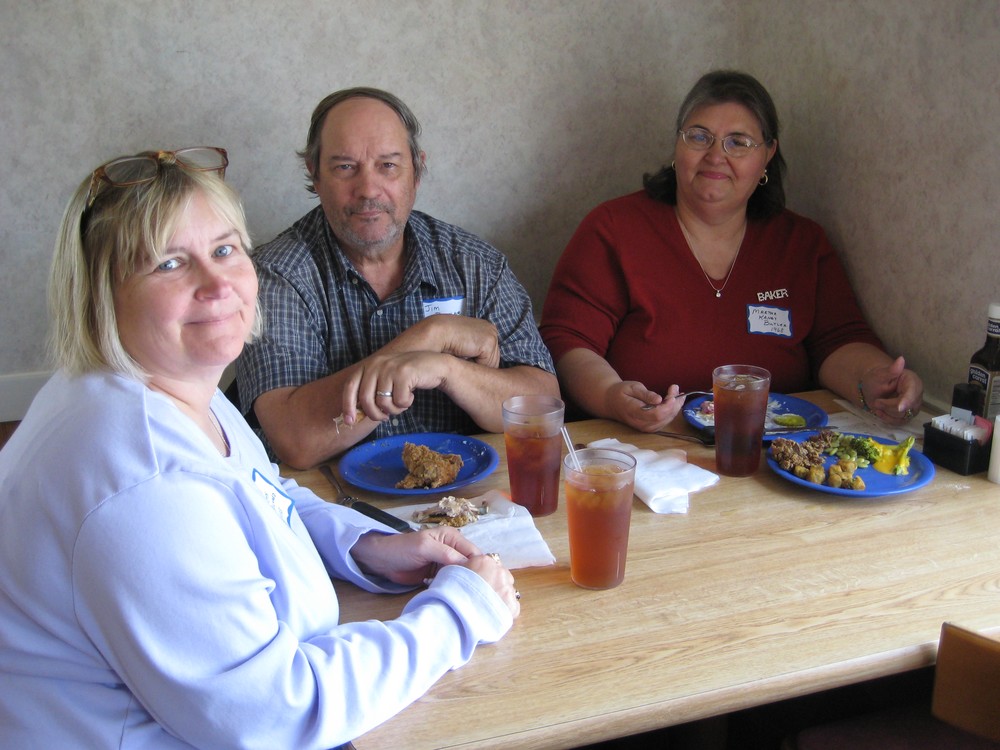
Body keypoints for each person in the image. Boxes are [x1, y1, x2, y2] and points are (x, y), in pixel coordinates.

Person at [0, 149, 519, 749]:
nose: (217, 284)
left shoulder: (165, 385)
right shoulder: (144, 484)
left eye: (225, 250)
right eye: (170, 263)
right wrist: (461, 613)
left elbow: (261, 491)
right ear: (102, 297)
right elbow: (273, 715)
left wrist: (366, 545)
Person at [540, 70, 923, 433]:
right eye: (699, 136)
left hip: (771, 452)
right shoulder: (614, 228)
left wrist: (876, 379)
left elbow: (838, 342)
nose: (715, 155)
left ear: (768, 155)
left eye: (738, 142)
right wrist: (611, 396)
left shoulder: (801, 243)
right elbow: (566, 342)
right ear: (677, 145)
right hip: (643, 450)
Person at [236, 87, 557, 468]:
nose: (368, 190)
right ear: (314, 173)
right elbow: (296, 441)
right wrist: (430, 336)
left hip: (468, 494)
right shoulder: (275, 274)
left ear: (416, 171)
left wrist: (448, 370)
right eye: (345, 167)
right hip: (328, 499)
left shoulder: (475, 264)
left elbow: (542, 408)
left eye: (388, 165)